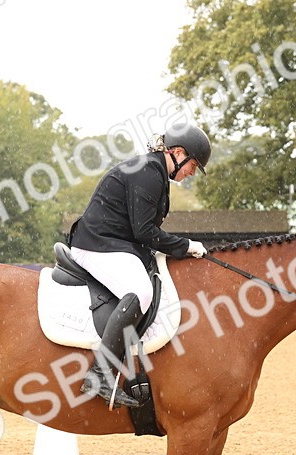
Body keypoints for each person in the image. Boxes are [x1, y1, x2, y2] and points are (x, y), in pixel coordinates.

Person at [68, 121, 211, 407]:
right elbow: (145, 231)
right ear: (178, 152)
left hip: (116, 243)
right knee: (141, 292)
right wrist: (185, 246)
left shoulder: (155, 170)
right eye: (193, 165)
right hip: (97, 244)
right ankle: (99, 375)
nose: (192, 172)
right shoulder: (148, 172)